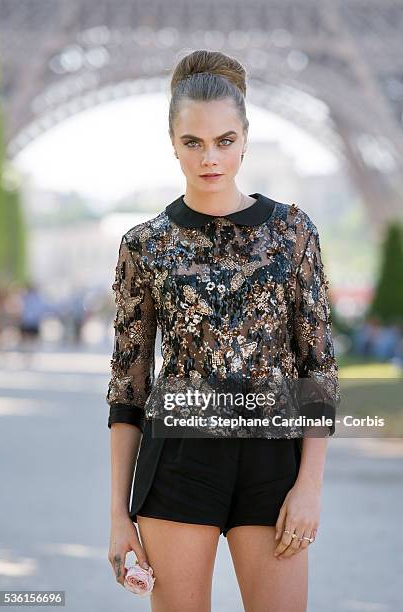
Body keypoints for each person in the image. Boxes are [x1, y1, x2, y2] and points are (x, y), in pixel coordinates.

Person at [107, 49, 340, 612]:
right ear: (173, 140)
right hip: (179, 460)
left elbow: (318, 368)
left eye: (225, 141)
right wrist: (118, 515)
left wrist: (309, 486)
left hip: (273, 465)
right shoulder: (146, 244)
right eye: (194, 142)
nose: (210, 156)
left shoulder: (292, 231)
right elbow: (128, 388)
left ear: (244, 138)